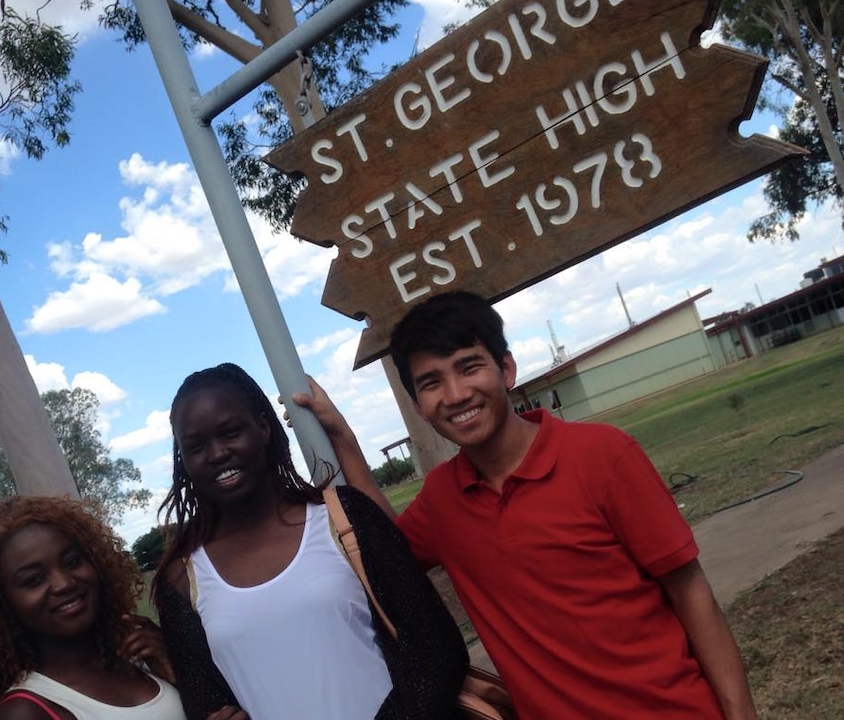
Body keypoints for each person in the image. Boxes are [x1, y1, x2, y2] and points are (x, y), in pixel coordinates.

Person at [296, 290, 759, 720]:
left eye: (469, 366)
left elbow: (693, 595)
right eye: (432, 382)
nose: (456, 394)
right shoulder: (442, 498)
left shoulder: (603, 455)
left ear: (507, 370)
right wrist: (346, 441)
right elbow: (387, 546)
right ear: (418, 404)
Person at [152, 362, 468, 720]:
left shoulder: (346, 518)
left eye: (230, 432)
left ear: (264, 428)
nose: (217, 453)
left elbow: (439, 651)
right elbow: (205, 702)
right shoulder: (181, 580)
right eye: (196, 446)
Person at [0, 495, 186, 720]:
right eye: (34, 580)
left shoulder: (142, 658)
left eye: (72, 563)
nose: (64, 584)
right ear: (1, 603)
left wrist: (182, 675)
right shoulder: (27, 711)